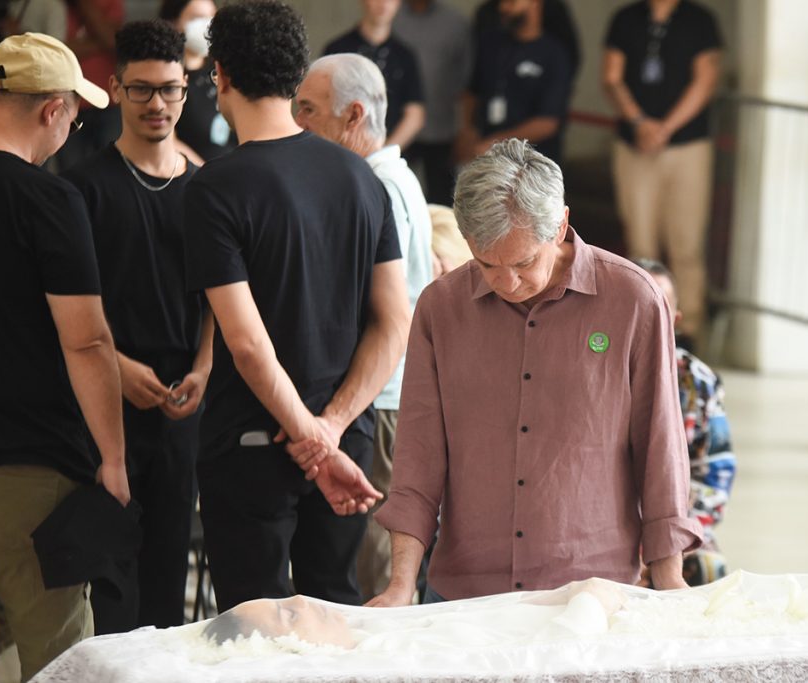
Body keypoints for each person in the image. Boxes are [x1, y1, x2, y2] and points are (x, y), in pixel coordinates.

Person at [368, 139, 702, 607]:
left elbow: (660, 446)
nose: (506, 283)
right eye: (487, 265)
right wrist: (401, 586)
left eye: (524, 262)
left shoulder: (633, 300)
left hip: (589, 591)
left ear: (560, 226)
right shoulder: (440, 308)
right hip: (465, 594)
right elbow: (417, 457)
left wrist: (669, 578)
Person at [183, 0, 410, 612]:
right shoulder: (362, 179)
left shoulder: (214, 188)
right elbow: (395, 322)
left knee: (254, 626)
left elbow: (247, 343)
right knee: (333, 613)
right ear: (293, 76)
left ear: (220, 75)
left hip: (253, 443)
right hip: (347, 440)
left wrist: (310, 434)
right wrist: (330, 430)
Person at [61, 19, 212, 634]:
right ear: (116, 89)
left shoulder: (205, 190)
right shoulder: (81, 189)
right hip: (105, 401)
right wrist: (115, 367)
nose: (157, 103)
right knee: (111, 585)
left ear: (186, 91)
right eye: (142, 89)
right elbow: (66, 308)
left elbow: (221, 299)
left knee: (169, 577)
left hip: (183, 402)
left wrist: (205, 367)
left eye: (169, 89)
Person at [0, 32, 130, 680]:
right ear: (52, 110)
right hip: (30, 468)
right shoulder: (47, 199)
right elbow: (87, 340)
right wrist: (114, 458)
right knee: (60, 661)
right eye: (75, 118)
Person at [295, 53, 434, 601]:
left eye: (309, 109)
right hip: (378, 395)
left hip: (379, 397)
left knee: (374, 572)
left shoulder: (378, 187)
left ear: (353, 115)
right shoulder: (384, 179)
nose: (297, 122)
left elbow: (378, 311)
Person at [602, 0, 722, 352]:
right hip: (634, 146)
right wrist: (640, 123)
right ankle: (640, 331)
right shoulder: (625, 18)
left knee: (687, 245)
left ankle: (689, 335)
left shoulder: (700, 20)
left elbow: (706, 80)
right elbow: (611, 78)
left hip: (687, 146)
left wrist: (665, 128)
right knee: (640, 245)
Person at [634, 259, 735, 587]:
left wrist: (673, 542)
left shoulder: (697, 381)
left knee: (708, 568)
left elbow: (714, 474)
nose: (646, 321)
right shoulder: (590, 370)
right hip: (601, 531)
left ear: (675, 320)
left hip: (675, 524)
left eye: (658, 310)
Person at [202, 578, 626, 647]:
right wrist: (589, 600)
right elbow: (550, 654)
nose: (301, 600)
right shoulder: (389, 660)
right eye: (288, 616)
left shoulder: (374, 638)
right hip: (585, 622)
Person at [458, 0, 572, 166]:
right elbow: (472, 91)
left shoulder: (555, 55)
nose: (503, 7)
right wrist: (468, 130)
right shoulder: (490, 44)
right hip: (488, 158)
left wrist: (496, 143)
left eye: (511, 2)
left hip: (533, 162)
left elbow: (548, 121)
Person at [393, 0, 471, 206]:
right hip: (400, 128)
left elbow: (467, 83)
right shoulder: (393, 17)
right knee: (397, 195)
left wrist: (464, 129)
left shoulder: (455, 23)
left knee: (442, 198)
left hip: (441, 127)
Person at [322, 0, 424, 151]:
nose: (383, 4)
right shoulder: (337, 50)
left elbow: (414, 115)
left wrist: (383, 153)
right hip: (342, 150)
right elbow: (322, 104)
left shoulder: (405, 56)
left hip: (388, 151)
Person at [159, 0, 235, 164]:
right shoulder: (163, 79)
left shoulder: (223, 70)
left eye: (212, 17)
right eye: (197, 18)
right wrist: (206, 173)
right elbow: (167, 139)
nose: (207, 25)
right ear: (173, 23)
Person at [55, 0, 124, 169]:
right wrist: (102, 40)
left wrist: (84, 5)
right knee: (71, 174)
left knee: (113, 170)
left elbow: (113, 40)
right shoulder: (52, 6)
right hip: (64, 103)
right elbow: (54, 53)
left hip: (109, 102)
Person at [473, 0, 579, 80]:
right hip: (494, 91)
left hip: (540, 90)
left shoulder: (553, 10)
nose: (504, 8)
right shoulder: (487, 12)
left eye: (511, 2)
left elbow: (569, 59)